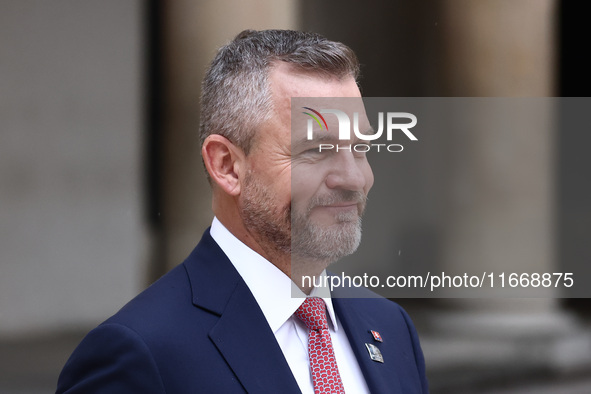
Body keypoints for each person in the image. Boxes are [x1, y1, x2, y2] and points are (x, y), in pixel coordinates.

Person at [56, 29, 428, 394]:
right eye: (317, 150)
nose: (353, 178)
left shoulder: (391, 328)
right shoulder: (141, 354)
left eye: (360, 148)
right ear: (227, 166)